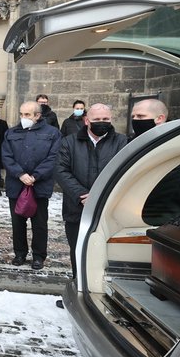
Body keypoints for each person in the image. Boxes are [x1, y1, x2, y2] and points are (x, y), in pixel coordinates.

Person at [55, 103, 128, 276]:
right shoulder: (69, 142)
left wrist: (100, 197)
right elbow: (60, 170)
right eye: (97, 119)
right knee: (78, 250)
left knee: (103, 253)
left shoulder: (121, 142)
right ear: (87, 120)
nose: (102, 122)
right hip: (77, 209)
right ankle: (77, 287)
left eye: (106, 119)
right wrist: (82, 194)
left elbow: (124, 173)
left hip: (108, 209)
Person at [2, 100, 62, 270]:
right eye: (21, 114)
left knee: (40, 224)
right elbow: (6, 156)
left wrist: (35, 176)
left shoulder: (52, 133)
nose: (23, 118)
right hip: (17, 184)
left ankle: (38, 256)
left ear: (37, 116)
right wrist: (20, 174)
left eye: (27, 114)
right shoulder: (11, 132)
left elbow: (53, 157)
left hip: (39, 186)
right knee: (17, 222)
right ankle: (20, 253)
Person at [130, 99, 180, 225]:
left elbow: (159, 193)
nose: (135, 120)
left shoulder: (174, 148)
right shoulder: (138, 142)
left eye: (141, 116)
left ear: (160, 118)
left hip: (159, 219)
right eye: (133, 116)